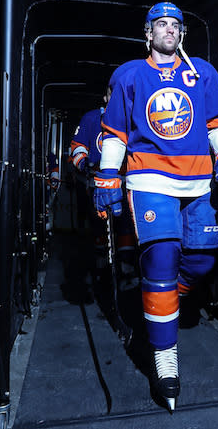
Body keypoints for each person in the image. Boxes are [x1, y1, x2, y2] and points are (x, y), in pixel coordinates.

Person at [93, 2, 218, 411]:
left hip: (198, 181)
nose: (169, 31)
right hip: (150, 179)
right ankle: (165, 359)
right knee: (162, 258)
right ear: (148, 32)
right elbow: (115, 132)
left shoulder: (203, 73)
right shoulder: (129, 74)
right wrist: (107, 175)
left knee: (201, 259)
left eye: (175, 25)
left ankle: (161, 304)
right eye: (161, 24)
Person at [69, 88, 138, 302]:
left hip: (127, 184)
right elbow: (78, 146)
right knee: (99, 226)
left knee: (126, 226)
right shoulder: (92, 118)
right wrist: (83, 162)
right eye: (111, 94)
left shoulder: (133, 117)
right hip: (97, 184)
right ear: (106, 97)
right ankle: (101, 270)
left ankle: (126, 270)